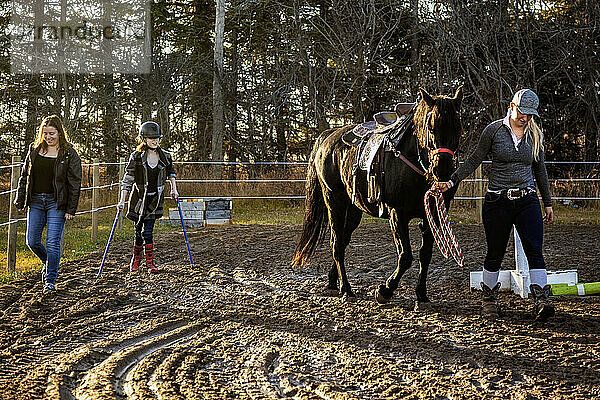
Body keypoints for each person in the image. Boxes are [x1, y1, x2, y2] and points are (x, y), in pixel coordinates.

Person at [435, 88, 554, 321]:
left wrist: (547, 203)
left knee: (534, 249)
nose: (525, 118)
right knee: (495, 252)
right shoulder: (494, 131)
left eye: (530, 114)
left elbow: (540, 170)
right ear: (512, 106)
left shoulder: (535, 134)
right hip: (497, 200)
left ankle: (541, 299)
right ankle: (489, 298)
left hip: (527, 199)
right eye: (522, 112)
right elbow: (474, 159)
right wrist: (451, 181)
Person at [15, 115, 82, 293]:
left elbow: (75, 182)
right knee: (32, 241)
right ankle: (48, 261)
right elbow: (24, 177)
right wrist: (20, 200)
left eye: (52, 133)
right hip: (35, 201)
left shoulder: (69, 153)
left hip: (56, 203)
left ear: (60, 133)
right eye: (45, 133)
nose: (48, 137)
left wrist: (71, 209)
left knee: (53, 242)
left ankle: (50, 280)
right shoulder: (34, 149)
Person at [118, 121, 178, 273]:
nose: (155, 141)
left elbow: (171, 173)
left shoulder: (165, 156)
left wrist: (174, 189)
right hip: (138, 200)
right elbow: (128, 179)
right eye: (151, 138)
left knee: (148, 232)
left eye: (157, 138)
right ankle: (136, 260)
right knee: (138, 232)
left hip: (155, 200)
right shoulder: (136, 157)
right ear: (144, 139)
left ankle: (150, 263)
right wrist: (122, 200)